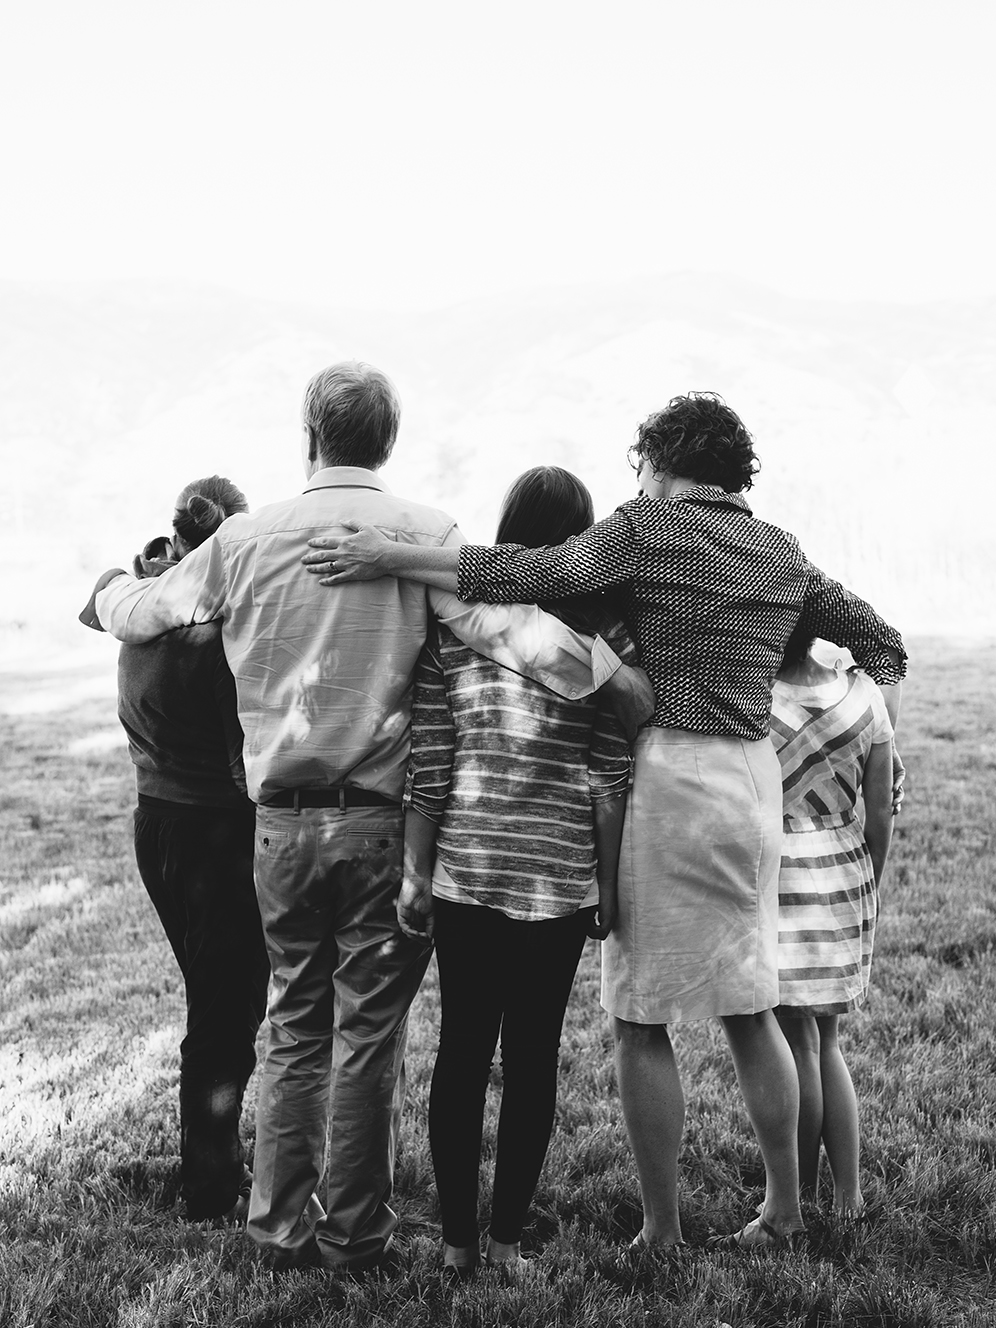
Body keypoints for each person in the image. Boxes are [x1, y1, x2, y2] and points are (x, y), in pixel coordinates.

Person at [300, 391, 907, 1251]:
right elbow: (883, 645)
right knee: (752, 1006)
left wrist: (385, 553)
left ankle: (661, 1228)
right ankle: (784, 1207)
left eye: (645, 467)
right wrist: (863, 738)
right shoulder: (781, 550)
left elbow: (522, 574)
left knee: (641, 1018)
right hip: (751, 784)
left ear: (663, 462)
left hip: (671, 778)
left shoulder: (646, 528)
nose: (641, 480)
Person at [91, 361, 653, 1274]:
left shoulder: (243, 541)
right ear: (387, 441)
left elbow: (144, 611)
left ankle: (279, 1228)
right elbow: (506, 631)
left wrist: (108, 588)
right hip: (381, 826)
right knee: (367, 1037)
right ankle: (354, 1233)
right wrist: (615, 680)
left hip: (279, 826)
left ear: (310, 433)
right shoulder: (425, 536)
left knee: (295, 1024)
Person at [399, 466, 633, 1277]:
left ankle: (456, 1245)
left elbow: (431, 765)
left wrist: (414, 874)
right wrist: (607, 886)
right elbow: (608, 779)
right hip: (559, 880)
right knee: (533, 1058)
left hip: (466, 873)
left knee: (462, 1052)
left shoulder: (456, 633)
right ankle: (505, 1243)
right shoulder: (601, 644)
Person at [80, 476, 269, 1221]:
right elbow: (242, 767)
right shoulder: (212, 638)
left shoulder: (136, 610)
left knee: (212, 1001)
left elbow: (98, 597)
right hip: (215, 836)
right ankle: (211, 1183)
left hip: (153, 825)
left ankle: (214, 1159)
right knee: (228, 1014)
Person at [769, 620, 895, 1214]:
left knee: (799, 1043)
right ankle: (849, 1196)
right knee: (827, 1043)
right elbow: (881, 811)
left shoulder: (758, 698)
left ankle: (797, 1196)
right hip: (847, 868)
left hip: (783, 875)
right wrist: (871, 878)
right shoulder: (864, 694)